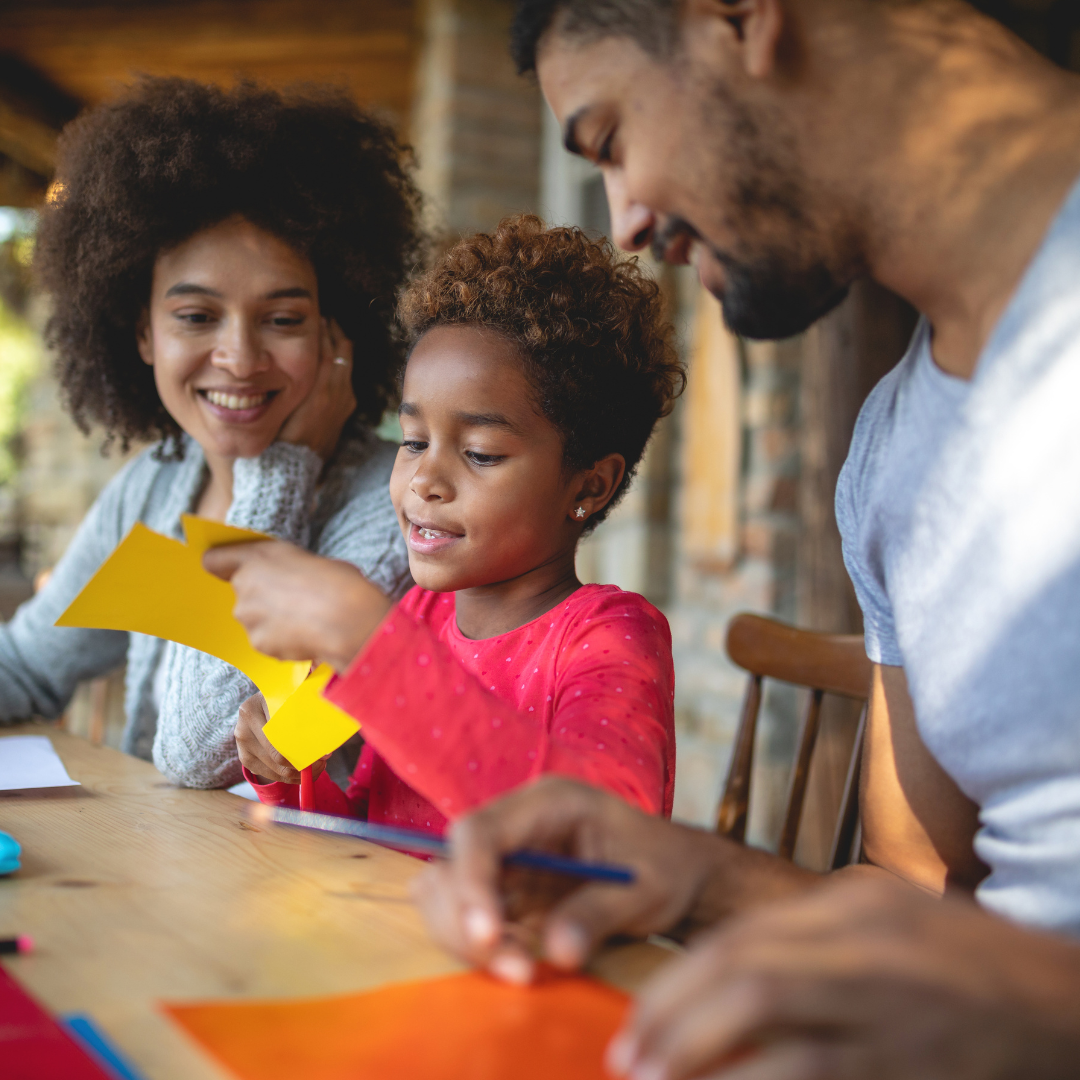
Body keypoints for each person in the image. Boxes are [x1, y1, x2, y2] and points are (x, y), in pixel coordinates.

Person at [412, 0, 1080, 1074]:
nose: (623, 218)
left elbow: (1004, 980)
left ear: (737, 18)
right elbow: (907, 888)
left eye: (611, 139)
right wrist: (704, 879)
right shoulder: (893, 455)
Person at [203, 216, 684, 842]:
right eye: (412, 441)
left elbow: (606, 841)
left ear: (589, 485)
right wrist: (293, 774)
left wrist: (373, 651)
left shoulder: (605, 637)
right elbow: (376, 838)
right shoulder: (421, 614)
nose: (424, 479)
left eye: (481, 452)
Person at [0, 77, 419, 789]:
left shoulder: (390, 506)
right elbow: (29, 668)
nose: (240, 358)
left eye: (283, 319)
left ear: (336, 333)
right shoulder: (157, 484)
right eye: (196, 317)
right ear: (142, 333)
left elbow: (200, 749)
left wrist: (284, 470)